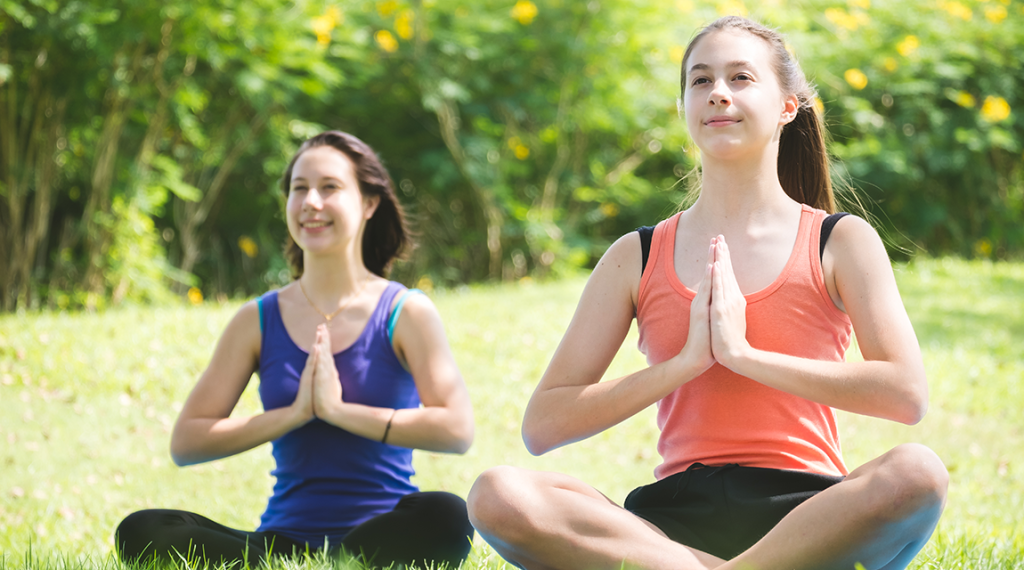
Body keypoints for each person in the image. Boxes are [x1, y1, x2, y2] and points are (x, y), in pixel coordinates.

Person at [467, 16, 948, 570]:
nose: (718, 92)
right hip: (669, 526)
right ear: (683, 108)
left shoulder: (839, 241)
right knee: (497, 494)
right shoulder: (636, 255)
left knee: (917, 474)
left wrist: (745, 357)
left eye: (741, 77)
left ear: (789, 106)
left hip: (805, 514)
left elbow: (905, 393)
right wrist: (686, 363)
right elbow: (543, 425)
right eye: (700, 81)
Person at [115, 131, 476, 568]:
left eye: (330, 187)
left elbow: (456, 429)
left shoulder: (405, 312)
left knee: (448, 515)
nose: (311, 202)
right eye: (299, 188)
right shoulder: (258, 319)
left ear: (368, 203)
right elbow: (187, 442)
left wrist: (339, 411)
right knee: (142, 530)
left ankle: (340, 563)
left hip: (380, 536)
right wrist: (294, 414)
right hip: (278, 545)